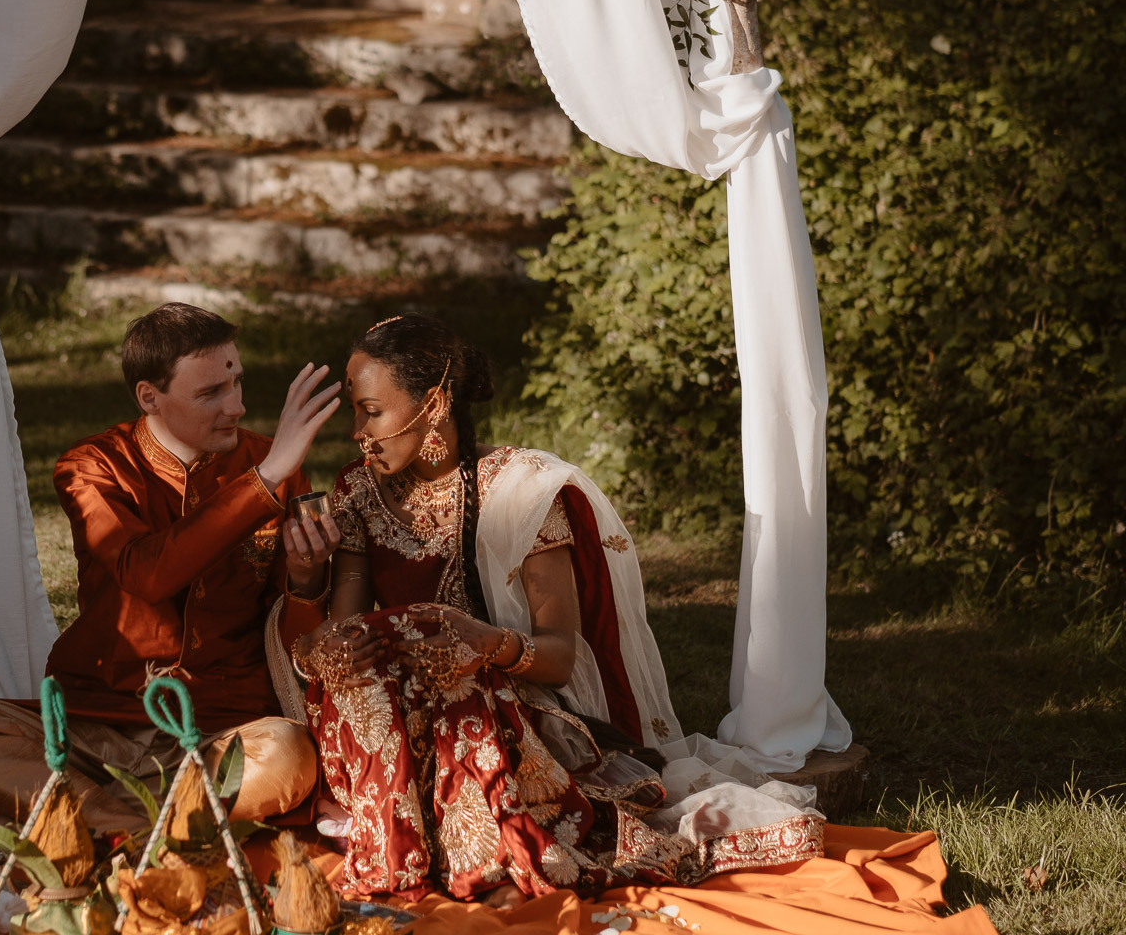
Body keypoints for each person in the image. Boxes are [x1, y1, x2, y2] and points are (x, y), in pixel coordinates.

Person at [277, 316, 814, 904]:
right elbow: (346, 630)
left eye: (371, 411)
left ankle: (432, 836)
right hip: (401, 709)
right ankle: (403, 841)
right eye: (357, 412)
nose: (358, 431)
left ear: (432, 404)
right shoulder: (359, 490)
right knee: (368, 663)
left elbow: (559, 659)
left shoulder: (523, 492)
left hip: (507, 702)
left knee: (460, 690)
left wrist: (483, 644)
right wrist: (325, 625)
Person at [0, 303, 340, 834]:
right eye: (211, 393)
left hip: (214, 734)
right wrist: (267, 476)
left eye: (236, 385)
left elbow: (295, 641)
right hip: (97, 728)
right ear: (149, 397)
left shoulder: (269, 465)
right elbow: (147, 574)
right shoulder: (91, 467)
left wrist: (306, 580)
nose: (237, 406)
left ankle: (91, 821)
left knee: (288, 755)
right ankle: (149, 823)